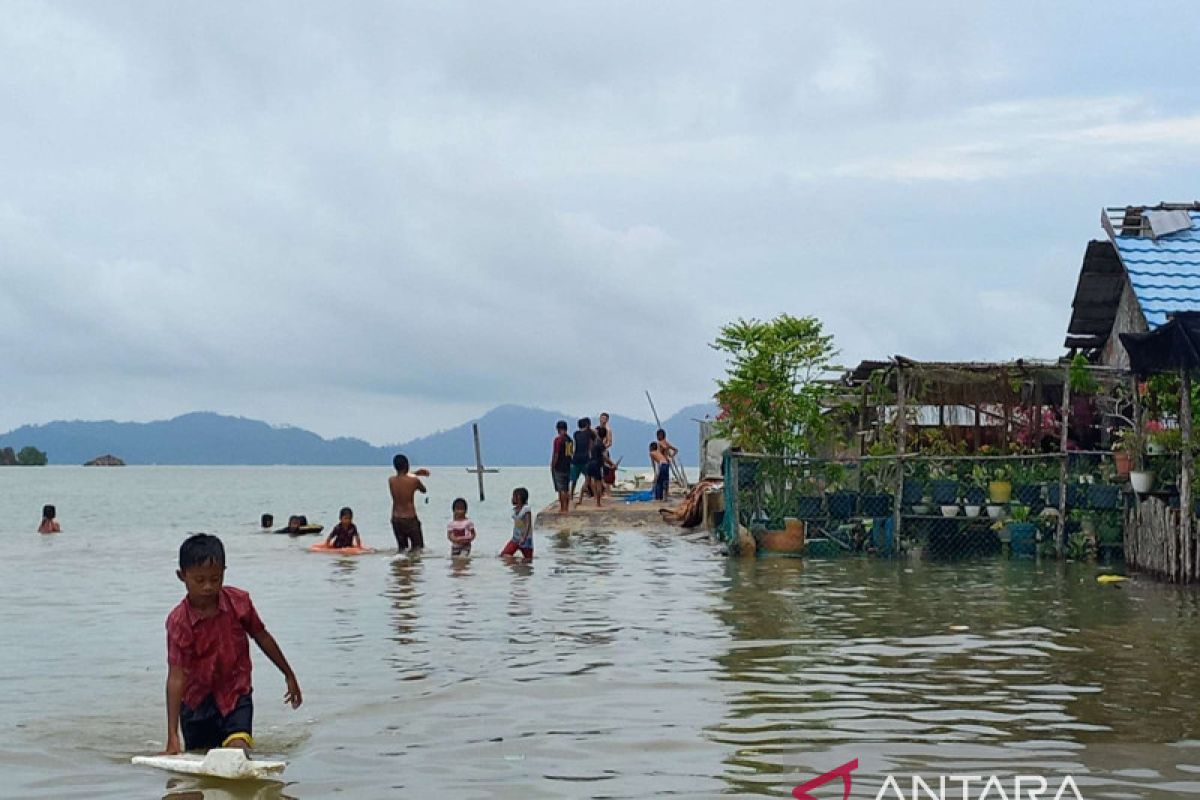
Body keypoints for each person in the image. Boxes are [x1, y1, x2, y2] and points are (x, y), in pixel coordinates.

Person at [162, 533, 301, 755]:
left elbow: (262, 636)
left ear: (224, 573)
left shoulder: (239, 603)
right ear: (182, 576)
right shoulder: (179, 622)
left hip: (236, 695)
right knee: (201, 757)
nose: (208, 587)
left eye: (215, 579)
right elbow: (176, 677)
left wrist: (288, 674)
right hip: (196, 704)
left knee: (238, 749)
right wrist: (172, 735)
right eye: (200, 580)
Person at [389, 454, 431, 552]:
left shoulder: (391, 480)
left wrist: (415, 473)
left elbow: (402, 477)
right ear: (407, 465)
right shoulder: (414, 481)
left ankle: (400, 566)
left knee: (402, 549)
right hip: (410, 518)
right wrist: (416, 475)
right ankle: (414, 566)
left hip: (396, 519)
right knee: (418, 548)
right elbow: (423, 490)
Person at [582, 426, 615, 508]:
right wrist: (612, 464)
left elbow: (594, 432)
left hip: (590, 463)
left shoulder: (593, 442)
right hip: (597, 464)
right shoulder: (600, 443)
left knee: (587, 481)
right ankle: (598, 503)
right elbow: (604, 456)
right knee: (598, 483)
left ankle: (579, 499)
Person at [500, 487, 533, 559]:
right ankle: (515, 564)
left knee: (528, 559)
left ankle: (522, 566)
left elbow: (528, 524)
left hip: (526, 539)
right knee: (504, 555)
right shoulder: (515, 510)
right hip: (515, 538)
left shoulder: (526, 509)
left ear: (519, 497)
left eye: (513, 496)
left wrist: (524, 538)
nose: (511, 499)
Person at [569, 418, 595, 500]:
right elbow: (594, 440)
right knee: (588, 478)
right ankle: (587, 494)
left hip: (575, 458)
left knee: (574, 480)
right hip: (586, 459)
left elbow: (573, 446)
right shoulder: (589, 433)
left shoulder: (575, 434)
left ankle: (571, 496)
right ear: (587, 425)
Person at [550, 420, 572, 513]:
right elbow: (570, 453)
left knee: (561, 489)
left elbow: (556, 454)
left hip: (559, 467)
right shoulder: (569, 440)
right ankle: (566, 507)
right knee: (566, 489)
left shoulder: (558, 440)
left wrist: (552, 465)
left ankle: (562, 508)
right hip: (568, 466)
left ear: (558, 429)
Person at [655, 428, 678, 500]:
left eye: (658, 435)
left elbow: (658, 454)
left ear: (661, 435)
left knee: (660, 481)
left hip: (662, 463)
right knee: (665, 480)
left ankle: (659, 496)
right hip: (666, 463)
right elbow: (675, 450)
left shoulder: (659, 444)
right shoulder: (666, 443)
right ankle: (665, 495)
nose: (657, 437)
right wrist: (670, 457)